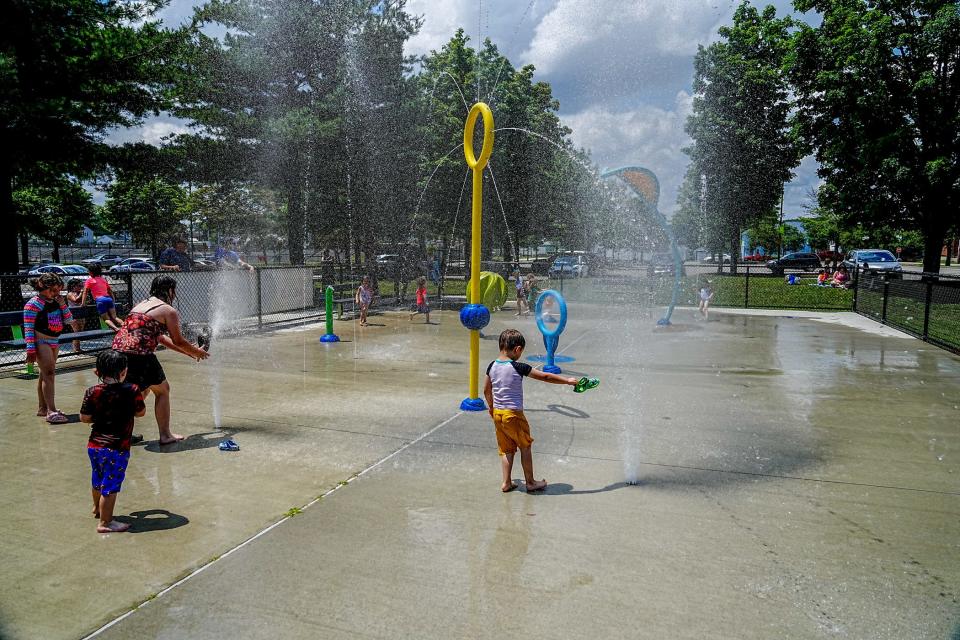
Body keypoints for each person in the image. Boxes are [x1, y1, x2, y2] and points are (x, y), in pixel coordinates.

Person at [112, 275, 209, 444]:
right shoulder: (168, 311)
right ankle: (165, 435)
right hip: (140, 355)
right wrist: (197, 352)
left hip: (119, 353)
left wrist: (189, 353)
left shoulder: (140, 305)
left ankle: (121, 432)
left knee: (141, 391)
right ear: (170, 290)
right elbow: (178, 340)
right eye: (174, 291)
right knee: (162, 390)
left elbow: (161, 338)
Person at [483, 329, 578, 493]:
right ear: (517, 349)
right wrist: (567, 381)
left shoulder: (492, 366)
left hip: (498, 414)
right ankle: (530, 482)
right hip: (513, 415)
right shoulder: (518, 366)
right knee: (525, 446)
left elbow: (486, 390)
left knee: (506, 449)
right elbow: (545, 376)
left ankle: (506, 482)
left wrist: (491, 407)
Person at [80, 350, 146, 533]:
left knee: (97, 479)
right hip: (117, 448)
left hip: (94, 446)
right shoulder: (132, 390)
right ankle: (105, 522)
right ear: (124, 371)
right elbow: (141, 412)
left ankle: (97, 509)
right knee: (110, 486)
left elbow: (84, 418)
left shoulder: (92, 391)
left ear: (97, 372)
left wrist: (103, 416)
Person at [24, 273, 74, 424]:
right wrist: (31, 348)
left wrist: (62, 304)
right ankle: (51, 410)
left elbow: (69, 319)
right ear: (42, 287)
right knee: (49, 373)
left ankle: (43, 408)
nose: (56, 293)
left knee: (44, 374)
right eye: (52, 290)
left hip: (54, 341)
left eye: (58, 290)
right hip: (41, 341)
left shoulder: (57, 301)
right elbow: (28, 328)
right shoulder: (34, 304)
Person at [81, 264, 122, 330]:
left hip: (100, 300)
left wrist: (83, 303)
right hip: (109, 299)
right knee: (114, 317)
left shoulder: (89, 280)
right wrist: (113, 299)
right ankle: (124, 325)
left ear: (91, 272)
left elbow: (85, 292)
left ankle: (116, 329)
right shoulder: (103, 279)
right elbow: (110, 291)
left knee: (106, 319)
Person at [65, 278, 85, 352]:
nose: (81, 287)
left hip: (81, 314)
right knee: (76, 331)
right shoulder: (70, 294)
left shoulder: (80, 293)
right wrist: (82, 293)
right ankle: (76, 349)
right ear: (73, 286)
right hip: (73, 315)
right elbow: (75, 300)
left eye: (81, 286)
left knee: (80, 331)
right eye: (79, 286)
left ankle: (78, 347)